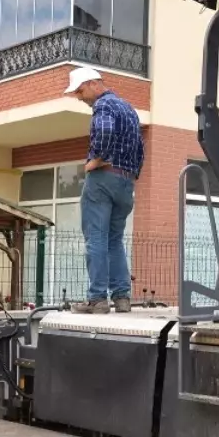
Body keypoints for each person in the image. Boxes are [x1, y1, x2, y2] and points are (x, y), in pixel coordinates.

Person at [65, 66, 145, 314]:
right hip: (126, 181)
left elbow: (105, 131)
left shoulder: (103, 106)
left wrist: (96, 160)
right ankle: (122, 298)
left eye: (79, 91)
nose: (79, 97)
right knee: (114, 240)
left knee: (96, 238)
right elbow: (140, 148)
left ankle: (97, 298)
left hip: (103, 179)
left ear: (92, 84)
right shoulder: (128, 108)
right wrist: (132, 175)